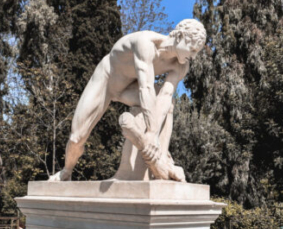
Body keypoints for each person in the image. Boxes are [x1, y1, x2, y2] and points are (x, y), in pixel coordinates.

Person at [47, 20, 207, 182]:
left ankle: (163, 159)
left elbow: (165, 96)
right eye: (192, 49)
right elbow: (146, 88)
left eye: (196, 52)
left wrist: (153, 136)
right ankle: (66, 171)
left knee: (167, 103)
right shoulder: (146, 43)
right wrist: (151, 131)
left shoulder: (181, 66)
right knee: (76, 138)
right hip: (107, 80)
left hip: (129, 90)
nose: (193, 56)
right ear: (179, 36)